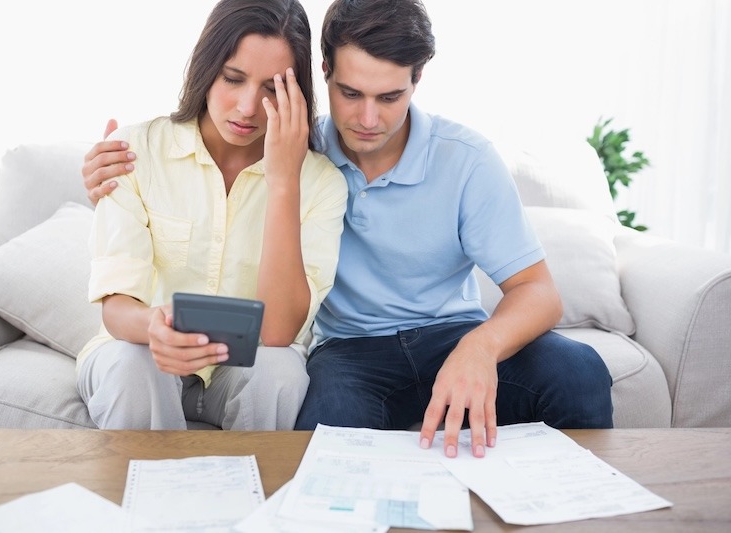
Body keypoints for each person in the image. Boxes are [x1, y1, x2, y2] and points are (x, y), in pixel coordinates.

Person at [82, 0, 613, 456]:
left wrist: (480, 348)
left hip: (451, 334)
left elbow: (539, 292)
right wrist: (103, 177)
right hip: (351, 351)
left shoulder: (462, 160)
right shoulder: (293, 148)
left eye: (390, 97)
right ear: (324, 74)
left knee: (579, 370)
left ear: (417, 81)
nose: (367, 120)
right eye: (351, 93)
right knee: (326, 438)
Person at [75, 0, 348, 432]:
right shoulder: (136, 152)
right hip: (143, 351)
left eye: (271, 88)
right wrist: (155, 327)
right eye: (233, 79)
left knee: (280, 371)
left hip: (241, 369)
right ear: (206, 69)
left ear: (296, 94)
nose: (248, 107)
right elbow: (116, 307)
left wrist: (283, 182)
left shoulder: (321, 183)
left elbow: (279, 332)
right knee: (133, 364)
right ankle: (145, 479)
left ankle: (255, 480)